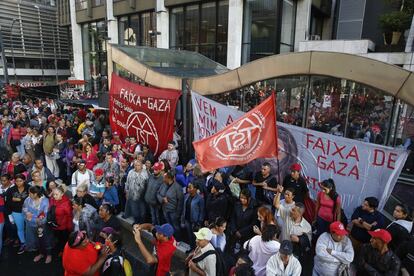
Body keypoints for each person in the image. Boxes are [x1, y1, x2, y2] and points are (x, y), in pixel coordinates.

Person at [23, 186, 53, 263]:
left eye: (30, 193)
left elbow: (44, 216)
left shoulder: (45, 201)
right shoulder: (28, 199)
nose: (28, 194)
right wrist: (27, 213)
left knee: (46, 240)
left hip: (42, 226)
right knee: (37, 240)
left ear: (35, 194)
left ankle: (49, 254)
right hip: (31, 225)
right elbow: (24, 209)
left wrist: (31, 217)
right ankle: (41, 253)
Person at [5, 173, 29, 254]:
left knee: (29, 228)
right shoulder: (11, 190)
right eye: (17, 181)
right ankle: (23, 243)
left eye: (20, 181)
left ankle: (31, 243)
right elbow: (8, 203)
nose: (18, 183)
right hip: (16, 212)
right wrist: (10, 215)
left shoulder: (29, 188)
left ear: (24, 180)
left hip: (28, 212)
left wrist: (18, 200)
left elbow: (32, 199)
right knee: (20, 229)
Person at [49, 185, 73, 255]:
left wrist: (69, 228)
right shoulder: (52, 200)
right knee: (57, 239)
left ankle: (63, 252)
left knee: (63, 240)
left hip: (63, 227)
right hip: (54, 225)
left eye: (56, 194)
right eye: (54, 194)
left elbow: (69, 216)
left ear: (62, 194)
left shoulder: (66, 203)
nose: (54, 196)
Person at [181, 182, 205, 250]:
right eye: (188, 187)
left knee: (196, 238)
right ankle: (191, 249)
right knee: (190, 236)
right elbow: (184, 208)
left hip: (195, 222)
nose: (188, 189)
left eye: (190, 187)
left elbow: (202, 211)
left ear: (195, 189)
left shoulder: (200, 198)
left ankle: (196, 250)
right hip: (187, 220)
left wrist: (199, 222)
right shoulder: (186, 196)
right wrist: (182, 219)